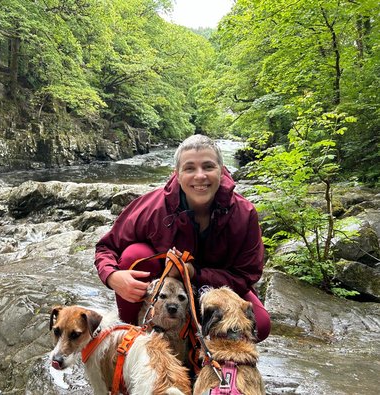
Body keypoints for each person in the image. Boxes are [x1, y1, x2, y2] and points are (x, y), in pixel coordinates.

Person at [94, 134, 271, 342]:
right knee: (133, 256)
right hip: (167, 285)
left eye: (208, 167)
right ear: (177, 174)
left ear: (222, 171)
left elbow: (246, 276)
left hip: (214, 288)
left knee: (260, 323)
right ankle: (135, 337)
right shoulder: (153, 206)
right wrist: (112, 277)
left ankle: (203, 349)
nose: (199, 176)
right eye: (189, 168)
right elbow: (107, 247)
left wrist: (194, 273)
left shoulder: (244, 213)